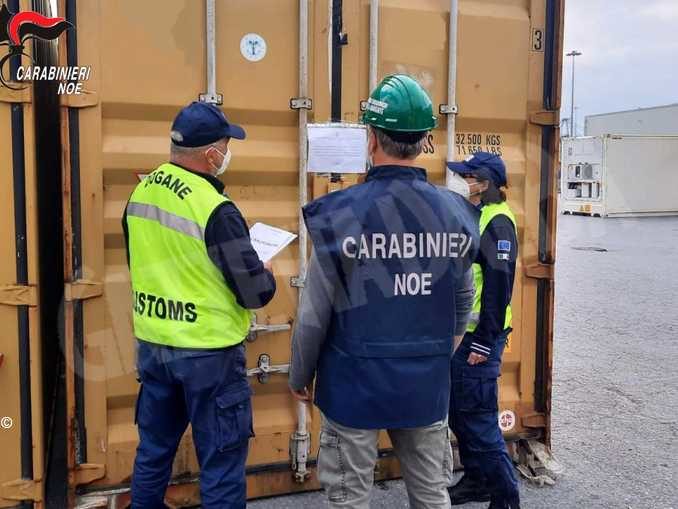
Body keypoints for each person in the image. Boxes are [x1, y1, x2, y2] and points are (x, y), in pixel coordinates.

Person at [288, 74, 480, 509]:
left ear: (371, 138)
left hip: (353, 387)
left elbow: (314, 313)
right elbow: (463, 300)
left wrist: (300, 375)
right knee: (432, 494)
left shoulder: (342, 215)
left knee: (350, 499)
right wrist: (434, 353)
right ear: (426, 139)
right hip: (426, 387)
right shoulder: (456, 213)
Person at [122, 101, 276, 509]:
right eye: (226, 145)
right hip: (209, 356)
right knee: (221, 465)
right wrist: (265, 270)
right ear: (211, 154)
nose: (227, 153)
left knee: (153, 453)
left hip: (154, 347)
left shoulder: (142, 191)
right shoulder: (215, 208)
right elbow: (255, 292)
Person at [446, 152, 520, 509]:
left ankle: (506, 498)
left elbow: (498, 288)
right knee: (460, 415)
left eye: (469, 177)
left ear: (484, 183)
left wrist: (487, 342)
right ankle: (477, 480)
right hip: (464, 338)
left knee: (480, 423)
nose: (464, 182)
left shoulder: (498, 224)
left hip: (479, 340)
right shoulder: (479, 214)